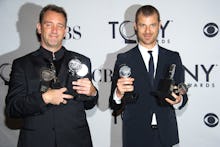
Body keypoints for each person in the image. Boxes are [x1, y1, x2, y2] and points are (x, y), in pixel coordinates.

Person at [5, 4, 98, 147]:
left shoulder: (82, 61)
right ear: (39, 27)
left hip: (76, 141)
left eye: (60, 26)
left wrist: (92, 93)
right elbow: (12, 108)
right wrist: (44, 98)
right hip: (36, 142)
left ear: (66, 31)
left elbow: (89, 104)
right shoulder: (22, 64)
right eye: (49, 24)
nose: (55, 30)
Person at [109, 5, 188, 147]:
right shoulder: (124, 59)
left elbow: (182, 96)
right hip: (134, 135)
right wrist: (118, 93)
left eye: (152, 25)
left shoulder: (173, 57)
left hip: (166, 135)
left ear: (160, 25)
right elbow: (113, 103)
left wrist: (179, 100)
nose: (147, 31)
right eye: (142, 25)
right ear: (135, 26)